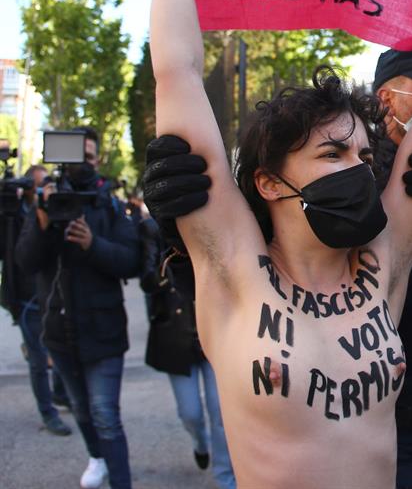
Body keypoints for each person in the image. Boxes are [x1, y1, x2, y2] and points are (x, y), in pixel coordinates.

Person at [150, 0, 412, 488]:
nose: (358, 168)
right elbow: (177, 72)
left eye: (362, 153)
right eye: (332, 155)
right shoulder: (233, 271)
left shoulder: (383, 268)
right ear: (270, 181)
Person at [144, 47, 412, 489]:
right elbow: (240, 301)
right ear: (387, 99)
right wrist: (184, 242)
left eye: (361, 158)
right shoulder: (332, 198)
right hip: (349, 427)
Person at [16, 128, 141, 489]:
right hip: (59, 331)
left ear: (97, 159)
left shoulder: (111, 205)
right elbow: (26, 262)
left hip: (104, 331)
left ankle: (121, 482)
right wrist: (42, 223)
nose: (82, 165)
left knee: (105, 415)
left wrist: (93, 244)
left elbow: (131, 261)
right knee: (82, 410)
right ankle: (97, 457)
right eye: (75, 158)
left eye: (88, 157)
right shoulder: (47, 202)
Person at [138, 215, 236, 488]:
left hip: (213, 333)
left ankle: (224, 475)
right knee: (190, 412)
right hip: (175, 335)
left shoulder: (211, 221)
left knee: (221, 412)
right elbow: (146, 280)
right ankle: (199, 443)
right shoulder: (150, 229)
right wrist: (175, 259)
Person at [0, 164, 72, 437]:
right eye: (38, 185)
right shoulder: (13, 214)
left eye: (46, 185)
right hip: (25, 297)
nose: (43, 191)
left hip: (51, 294)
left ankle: (61, 394)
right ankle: (48, 412)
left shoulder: (54, 209)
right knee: (39, 359)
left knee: (58, 350)